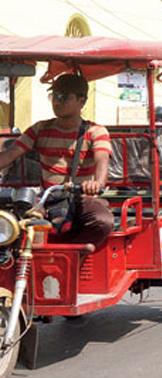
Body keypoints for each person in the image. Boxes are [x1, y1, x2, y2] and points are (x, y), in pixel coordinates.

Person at [0, 74, 112, 248]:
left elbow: (102, 160)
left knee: (102, 221)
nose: (57, 102)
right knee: (14, 223)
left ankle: (76, 254)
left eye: (64, 97)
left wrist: (97, 183)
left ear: (81, 101)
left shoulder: (95, 131)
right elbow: (12, 153)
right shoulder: (40, 129)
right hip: (46, 197)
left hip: (81, 197)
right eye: (54, 96)